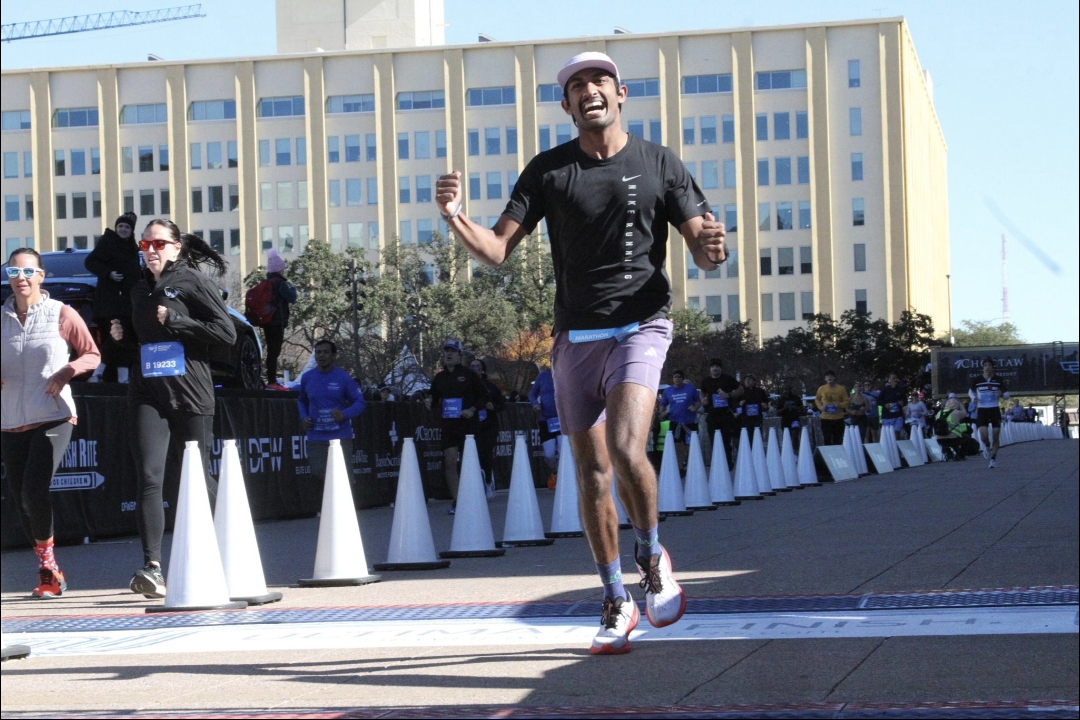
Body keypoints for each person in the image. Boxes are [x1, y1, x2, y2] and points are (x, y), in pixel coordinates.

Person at [435, 50, 726, 654]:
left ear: (621, 93)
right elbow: (494, 252)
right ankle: (616, 599)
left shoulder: (659, 163)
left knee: (624, 447)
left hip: (641, 326)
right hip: (574, 338)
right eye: (576, 85)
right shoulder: (547, 171)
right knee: (591, 475)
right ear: (565, 106)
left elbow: (702, 247)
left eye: (599, 81)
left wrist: (714, 248)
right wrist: (455, 216)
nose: (589, 90)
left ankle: (650, 552)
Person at [110, 219, 237, 599]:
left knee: (195, 477)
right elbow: (143, 340)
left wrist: (179, 320)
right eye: (145, 244)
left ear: (177, 247)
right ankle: (153, 567)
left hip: (190, 392)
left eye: (159, 244)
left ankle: (227, 545)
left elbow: (226, 333)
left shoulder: (192, 281)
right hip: (147, 390)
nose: (150, 250)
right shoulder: (137, 287)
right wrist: (122, 336)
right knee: (149, 477)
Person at [2, 248, 101, 598]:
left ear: (41, 276)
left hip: (54, 414)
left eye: (28, 271)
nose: (21, 278)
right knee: (20, 498)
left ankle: (47, 569)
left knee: (33, 488)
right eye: (14, 271)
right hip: (10, 419)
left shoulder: (62, 313)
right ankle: (50, 567)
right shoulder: (0, 318)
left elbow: (91, 353)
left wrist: (67, 371)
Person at [426, 339, 488, 514]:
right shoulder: (439, 377)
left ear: (460, 355)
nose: (449, 354)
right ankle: (457, 501)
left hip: (468, 426)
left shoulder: (469, 375)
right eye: (446, 351)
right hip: (448, 426)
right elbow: (433, 397)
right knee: (450, 463)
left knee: (469, 463)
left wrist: (472, 409)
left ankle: (475, 494)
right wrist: (429, 401)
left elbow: (484, 397)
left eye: (452, 351)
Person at [297, 338, 366, 485]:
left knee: (343, 477)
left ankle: (347, 506)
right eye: (318, 352)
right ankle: (327, 505)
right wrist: (304, 417)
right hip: (316, 436)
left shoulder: (344, 378)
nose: (321, 356)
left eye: (326, 352)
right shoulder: (307, 378)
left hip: (340, 436)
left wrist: (344, 414)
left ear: (334, 356)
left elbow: (360, 402)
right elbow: (301, 401)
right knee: (318, 472)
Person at [84, 211, 141, 383]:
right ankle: (98, 373)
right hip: (110, 302)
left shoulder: (132, 248)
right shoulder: (108, 242)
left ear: (132, 231)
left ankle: (121, 378)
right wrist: (109, 273)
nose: (123, 229)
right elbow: (90, 262)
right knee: (116, 336)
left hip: (128, 302)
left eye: (127, 227)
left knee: (126, 338)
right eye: (120, 226)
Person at [470, 357, 506, 500]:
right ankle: (474, 485)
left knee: (485, 454)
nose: (475, 369)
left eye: (477, 367)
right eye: (472, 367)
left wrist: (494, 407)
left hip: (488, 425)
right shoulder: (466, 386)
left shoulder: (490, 386)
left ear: (483, 369)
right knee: (473, 455)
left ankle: (488, 482)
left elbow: (502, 404)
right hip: (472, 425)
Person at [260, 249, 297, 386]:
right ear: (279, 270)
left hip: (267, 321)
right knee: (274, 352)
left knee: (270, 350)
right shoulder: (280, 284)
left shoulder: (266, 283)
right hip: (277, 322)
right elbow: (291, 298)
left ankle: (268, 377)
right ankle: (271, 380)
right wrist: (293, 289)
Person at [698, 358, 742, 468]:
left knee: (726, 440)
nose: (715, 368)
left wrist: (729, 395)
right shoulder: (706, 380)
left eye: (717, 366)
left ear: (721, 368)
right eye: (713, 367)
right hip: (712, 414)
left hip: (726, 414)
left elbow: (741, 389)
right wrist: (704, 400)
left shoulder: (728, 379)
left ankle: (728, 463)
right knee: (713, 440)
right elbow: (702, 392)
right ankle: (717, 464)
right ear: (710, 369)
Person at [969, 358, 1009, 468]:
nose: (987, 367)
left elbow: (1007, 395)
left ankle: (993, 459)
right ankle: (986, 445)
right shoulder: (977, 380)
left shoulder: (998, 379)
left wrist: (1001, 394)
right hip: (982, 409)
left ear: (992, 367)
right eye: (985, 365)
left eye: (989, 365)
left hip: (994, 408)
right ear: (983, 367)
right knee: (984, 435)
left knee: (995, 435)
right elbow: (970, 391)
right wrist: (973, 398)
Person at [658, 370, 700, 472]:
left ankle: (692, 467)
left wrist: (694, 408)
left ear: (682, 378)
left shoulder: (690, 388)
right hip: (675, 422)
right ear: (673, 379)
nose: (677, 379)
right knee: (677, 446)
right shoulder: (668, 391)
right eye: (675, 377)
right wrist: (662, 411)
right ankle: (681, 467)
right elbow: (662, 404)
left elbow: (698, 402)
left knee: (691, 445)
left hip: (690, 423)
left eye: (679, 377)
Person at [528, 365, 560, 487]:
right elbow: (532, 393)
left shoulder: (566, 372)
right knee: (549, 454)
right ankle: (555, 470)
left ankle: (562, 477)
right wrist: (535, 404)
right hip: (546, 420)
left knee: (563, 451)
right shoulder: (542, 376)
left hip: (563, 419)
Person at [814, 371, 848, 446]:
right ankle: (828, 456)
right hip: (826, 418)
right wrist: (820, 407)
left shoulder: (841, 389)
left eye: (831, 376)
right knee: (827, 439)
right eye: (827, 376)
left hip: (838, 418)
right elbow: (817, 399)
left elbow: (847, 401)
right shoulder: (822, 388)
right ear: (825, 378)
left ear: (834, 377)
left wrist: (839, 404)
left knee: (838, 439)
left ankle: (838, 456)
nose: (829, 377)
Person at [738, 373, 770, 441]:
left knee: (757, 435)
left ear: (754, 381)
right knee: (747, 436)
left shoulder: (760, 391)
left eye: (749, 379)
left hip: (757, 418)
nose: (747, 381)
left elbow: (767, 402)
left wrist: (765, 405)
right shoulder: (741, 391)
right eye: (746, 379)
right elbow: (735, 404)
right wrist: (739, 404)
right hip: (745, 418)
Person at [879, 373, 907, 439]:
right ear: (889, 380)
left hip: (898, 416)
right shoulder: (885, 390)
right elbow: (879, 401)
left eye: (895, 378)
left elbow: (905, 401)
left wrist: (902, 403)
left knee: (896, 433)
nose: (895, 380)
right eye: (893, 378)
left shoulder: (900, 390)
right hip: (887, 416)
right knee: (888, 436)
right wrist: (885, 405)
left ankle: (897, 447)